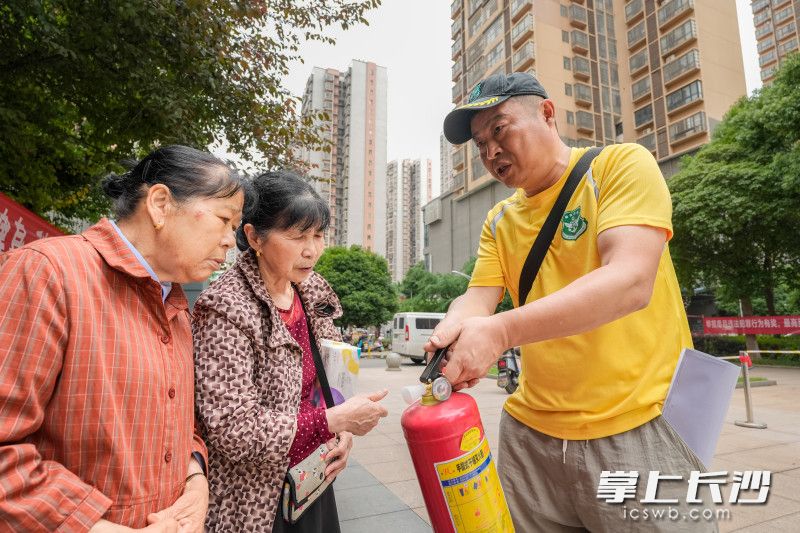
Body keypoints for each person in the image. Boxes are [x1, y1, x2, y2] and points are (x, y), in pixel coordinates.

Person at [428, 72, 711, 532]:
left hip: (637, 425)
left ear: (546, 113)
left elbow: (629, 280)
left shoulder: (618, 167)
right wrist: (451, 335)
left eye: (499, 129)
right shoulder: (499, 219)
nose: (490, 151)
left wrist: (500, 332)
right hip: (530, 438)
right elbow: (477, 298)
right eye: (479, 144)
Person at [0, 145, 245, 532]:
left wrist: (196, 480)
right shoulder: (47, 273)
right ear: (161, 204)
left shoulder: (177, 307)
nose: (231, 242)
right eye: (224, 220)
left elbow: (182, 426)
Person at [192, 170, 389, 532]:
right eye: (298, 236)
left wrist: (339, 432)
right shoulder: (225, 308)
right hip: (255, 500)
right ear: (254, 237)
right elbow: (233, 429)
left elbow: (325, 378)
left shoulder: (311, 292)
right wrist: (335, 421)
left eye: (318, 235)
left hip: (312, 477)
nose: (312, 250)